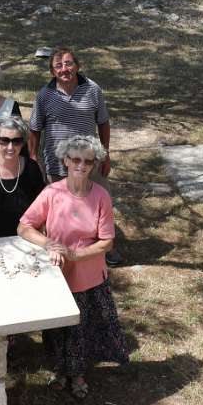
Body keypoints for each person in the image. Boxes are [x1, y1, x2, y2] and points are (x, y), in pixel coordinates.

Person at [17, 135, 130, 400]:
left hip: (88, 275)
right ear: (65, 160)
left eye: (88, 161)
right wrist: (49, 244)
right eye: (76, 159)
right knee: (56, 328)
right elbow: (24, 227)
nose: (81, 165)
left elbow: (107, 242)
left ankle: (78, 374)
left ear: (94, 164)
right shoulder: (52, 192)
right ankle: (59, 371)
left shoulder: (101, 196)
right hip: (57, 275)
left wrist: (78, 255)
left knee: (83, 328)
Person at [27, 47, 120, 265]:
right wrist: (33, 157)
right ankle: (61, 247)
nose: (64, 69)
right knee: (61, 210)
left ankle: (106, 248)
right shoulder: (44, 95)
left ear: (77, 66)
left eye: (68, 64)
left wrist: (105, 155)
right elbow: (34, 129)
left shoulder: (93, 90)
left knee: (98, 203)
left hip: (89, 162)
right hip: (57, 164)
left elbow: (103, 122)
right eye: (58, 66)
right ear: (52, 71)